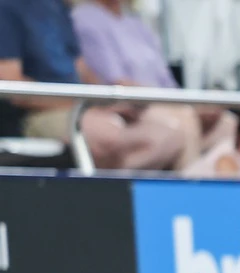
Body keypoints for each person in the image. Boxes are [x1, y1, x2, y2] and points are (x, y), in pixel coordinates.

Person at [0, 0, 185, 169]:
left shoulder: (56, 8)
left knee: (168, 134)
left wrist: (105, 101)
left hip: (77, 109)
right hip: (35, 116)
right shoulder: (8, 8)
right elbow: (13, 88)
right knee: (109, 135)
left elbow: (83, 70)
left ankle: (111, 191)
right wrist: (83, 104)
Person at [71, 0, 219, 170]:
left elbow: (167, 81)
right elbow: (116, 81)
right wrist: (179, 104)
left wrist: (191, 103)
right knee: (186, 120)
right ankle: (192, 192)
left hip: (165, 101)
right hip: (133, 105)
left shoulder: (136, 23)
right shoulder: (86, 18)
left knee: (226, 125)